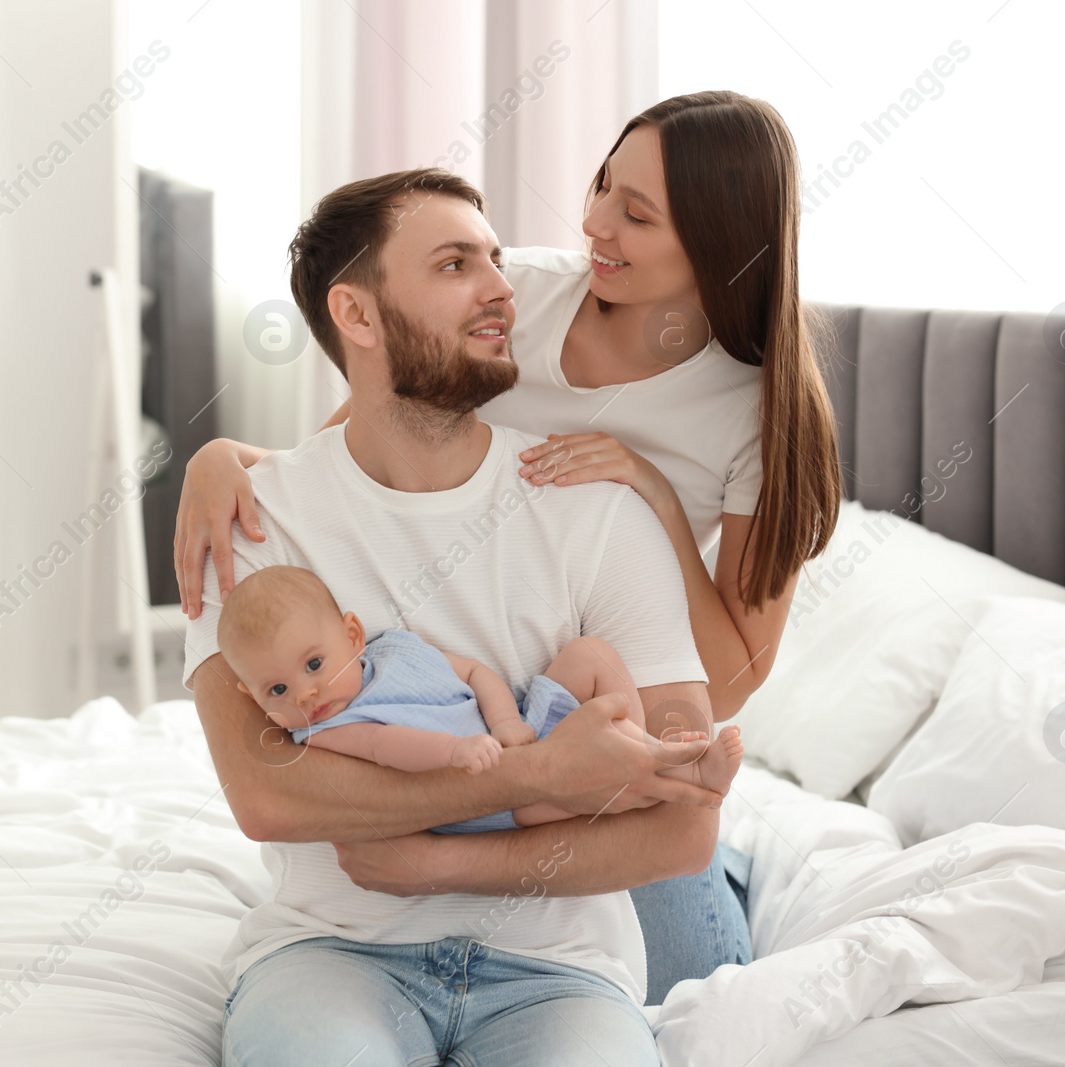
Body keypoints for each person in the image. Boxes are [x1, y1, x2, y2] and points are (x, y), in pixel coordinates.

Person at [176, 91, 842, 1002]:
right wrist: (221, 456)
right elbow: (364, 436)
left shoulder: (759, 412)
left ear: (720, 245)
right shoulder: (517, 295)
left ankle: (731, 871)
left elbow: (724, 680)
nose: (593, 221)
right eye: (605, 183)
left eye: (636, 214)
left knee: (691, 982)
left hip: (606, 736)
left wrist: (644, 490)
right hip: (464, 715)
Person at [215, 564, 745, 834]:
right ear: (252, 695)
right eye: (277, 690)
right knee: (583, 798)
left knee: (590, 655)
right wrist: (454, 755)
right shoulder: (325, 729)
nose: (305, 694)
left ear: (352, 637)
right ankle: (676, 779)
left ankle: (649, 749)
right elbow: (385, 746)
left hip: (515, 735)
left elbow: (472, 670)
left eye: (313, 665)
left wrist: (506, 719)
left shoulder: (395, 649)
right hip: (487, 798)